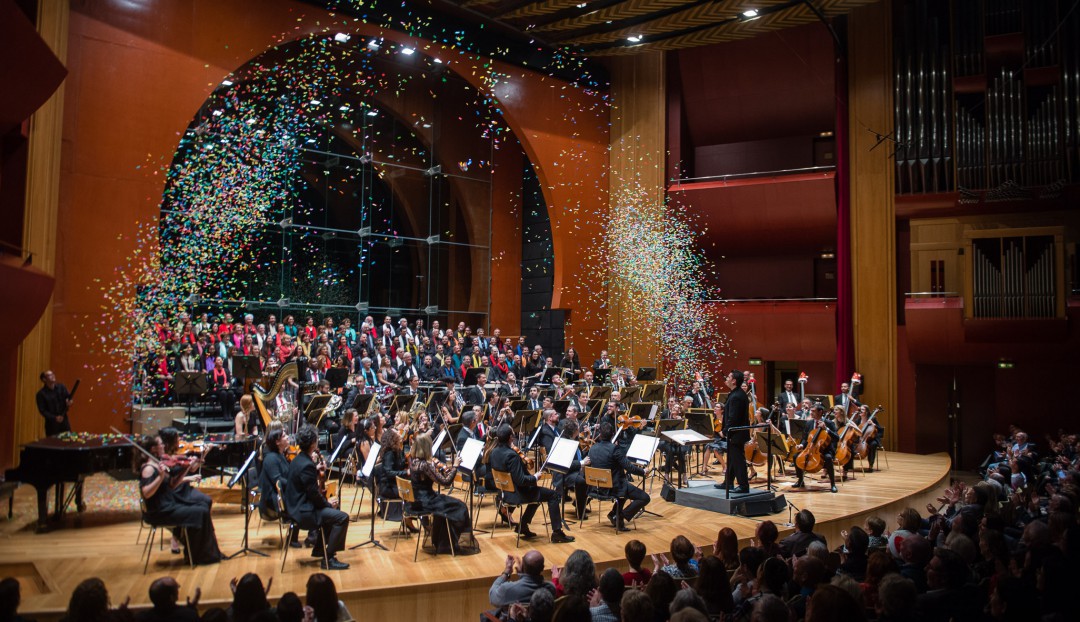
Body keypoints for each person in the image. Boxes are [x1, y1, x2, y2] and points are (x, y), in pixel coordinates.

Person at [135, 435, 222, 565]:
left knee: (203, 507)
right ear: (153, 449)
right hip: (159, 510)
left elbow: (172, 485)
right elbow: (146, 493)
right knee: (200, 511)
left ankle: (203, 554)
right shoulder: (148, 468)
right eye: (160, 444)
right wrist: (160, 477)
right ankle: (198, 555)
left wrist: (186, 467)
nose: (163, 446)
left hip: (168, 504)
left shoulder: (158, 463)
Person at [488, 424, 574, 543]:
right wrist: (534, 477)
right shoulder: (512, 455)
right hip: (517, 494)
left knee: (538, 494)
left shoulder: (494, 452)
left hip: (504, 493)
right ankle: (557, 533)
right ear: (510, 438)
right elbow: (521, 480)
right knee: (553, 495)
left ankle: (522, 526)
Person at [284, 425, 350, 569]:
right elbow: (314, 495)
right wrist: (327, 504)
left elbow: (305, 481)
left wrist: (314, 470)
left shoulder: (298, 460)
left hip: (295, 507)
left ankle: (320, 549)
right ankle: (329, 558)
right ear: (313, 443)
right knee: (342, 517)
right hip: (303, 513)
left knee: (332, 512)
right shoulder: (306, 464)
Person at [407, 434, 481, 555]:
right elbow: (446, 482)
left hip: (417, 499)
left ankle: (442, 541)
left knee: (448, 506)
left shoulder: (413, 461)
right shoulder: (425, 465)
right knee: (461, 506)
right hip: (426, 502)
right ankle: (448, 544)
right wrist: (455, 466)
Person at [581, 421, 649, 531]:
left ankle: (614, 513)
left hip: (596, 487)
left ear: (600, 434)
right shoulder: (614, 449)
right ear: (613, 434)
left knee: (625, 486)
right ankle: (619, 515)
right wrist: (643, 471)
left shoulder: (593, 448)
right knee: (644, 498)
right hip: (612, 488)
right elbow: (629, 467)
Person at [791, 402, 839, 493]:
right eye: (810, 411)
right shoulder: (809, 423)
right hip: (811, 448)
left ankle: (833, 484)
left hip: (825, 450)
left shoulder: (829, 423)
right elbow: (805, 438)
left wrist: (827, 430)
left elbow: (837, 438)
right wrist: (801, 445)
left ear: (820, 412)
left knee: (828, 458)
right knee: (795, 457)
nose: (811, 413)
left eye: (813, 411)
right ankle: (800, 480)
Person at [717, 370, 750, 493]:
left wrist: (724, 431)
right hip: (737, 433)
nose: (726, 378)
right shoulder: (736, 393)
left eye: (729, 376)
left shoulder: (737, 396)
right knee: (732, 458)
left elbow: (733, 418)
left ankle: (743, 486)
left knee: (738, 460)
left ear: (734, 381)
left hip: (736, 433)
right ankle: (728, 482)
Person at [488, 550, 556, 609]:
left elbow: (492, 596)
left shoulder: (508, 589)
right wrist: (522, 575)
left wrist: (507, 571)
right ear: (542, 568)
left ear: (523, 567)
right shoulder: (550, 588)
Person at [257, 429, 291, 524]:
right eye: (284, 436)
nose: (287, 437)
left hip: (282, 496)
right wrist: (295, 484)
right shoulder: (271, 459)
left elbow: (288, 474)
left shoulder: (280, 455)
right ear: (277, 442)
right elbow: (278, 480)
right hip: (272, 501)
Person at [36, 370, 72, 436]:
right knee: (53, 443)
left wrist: (69, 402)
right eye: (50, 375)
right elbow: (43, 411)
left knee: (68, 441)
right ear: (44, 379)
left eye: (53, 374)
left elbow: (69, 398)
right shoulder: (41, 394)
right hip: (52, 424)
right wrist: (55, 418)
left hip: (64, 421)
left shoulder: (61, 387)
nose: (53, 376)